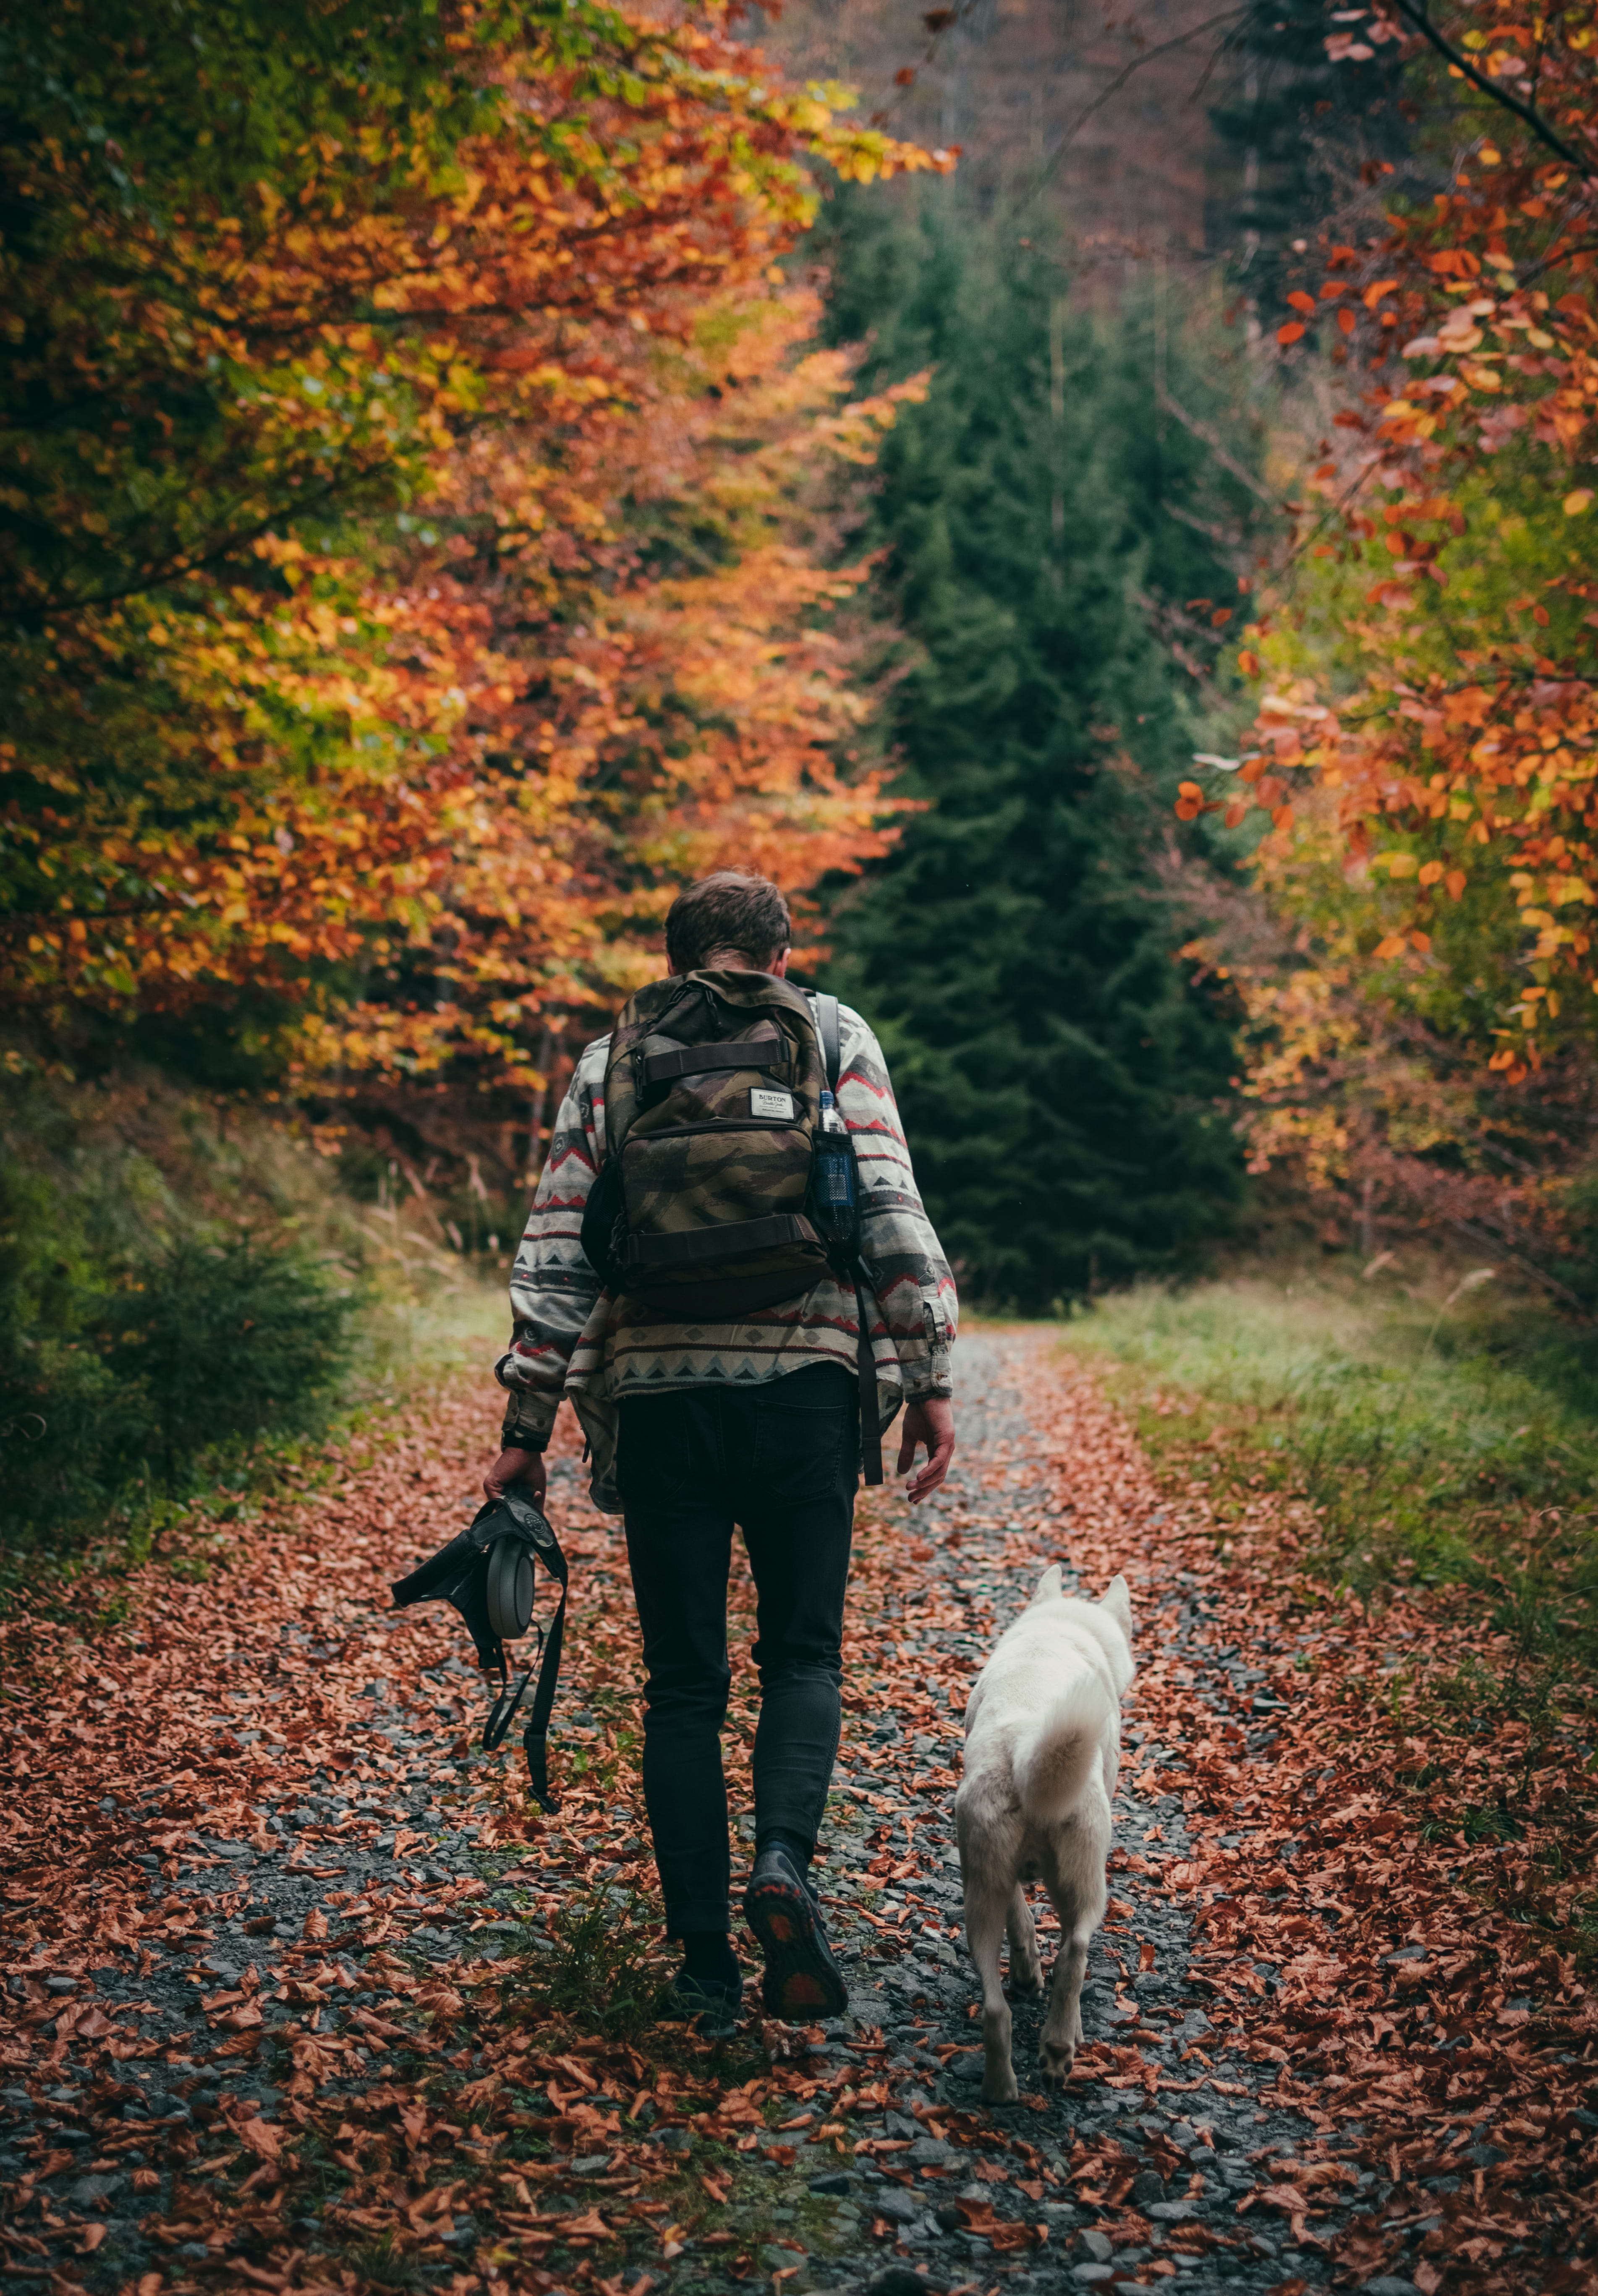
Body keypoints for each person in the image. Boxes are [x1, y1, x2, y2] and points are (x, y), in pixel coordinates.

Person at [481, 871, 958, 2032]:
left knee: (682, 1686)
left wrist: (524, 1431)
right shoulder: (835, 1034)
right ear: (781, 959)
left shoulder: (613, 1059)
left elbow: (559, 1250)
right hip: (804, 1391)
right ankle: (783, 1869)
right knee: (803, 1656)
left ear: (678, 955)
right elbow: (888, 1208)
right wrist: (929, 1377)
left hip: (660, 1400)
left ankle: (702, 1964)